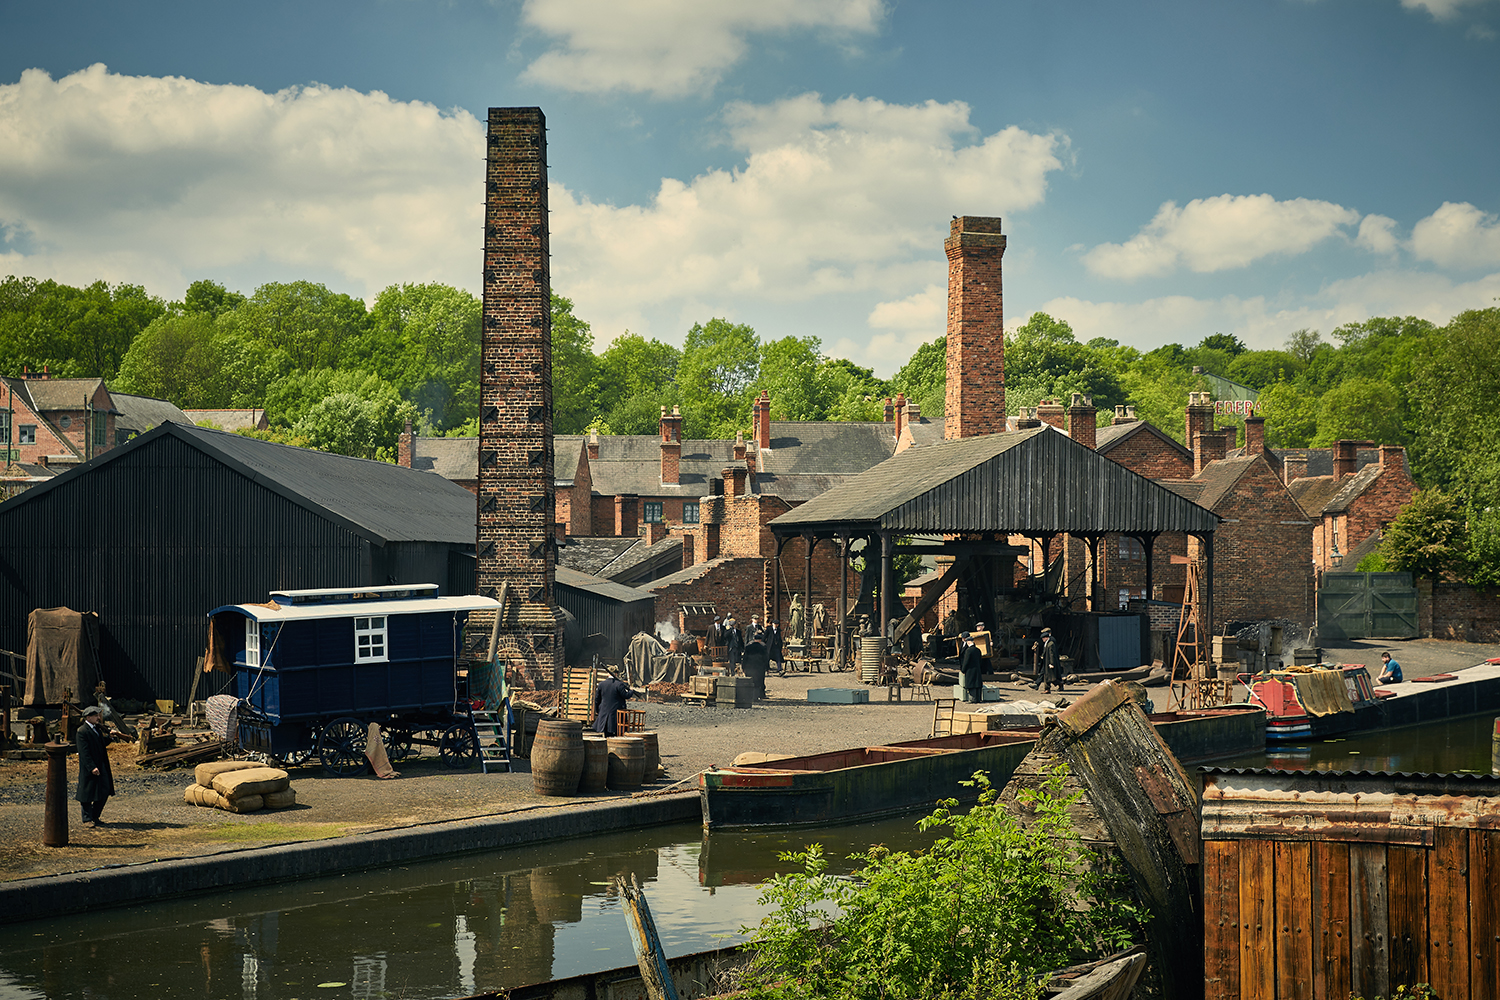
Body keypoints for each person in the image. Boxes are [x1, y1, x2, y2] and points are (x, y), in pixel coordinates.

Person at [75, 705, 115, 827]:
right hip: (90, 767)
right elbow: (84, 752)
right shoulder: (82, 731)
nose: (98, 718)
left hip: (101, 764)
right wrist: (91, 767)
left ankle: (95, 816)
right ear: (88, 717)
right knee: (87, 792)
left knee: (104, 790)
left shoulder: (96, 729)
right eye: (96, 716)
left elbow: (100, 743)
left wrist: (110, 738)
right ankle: (87, 819)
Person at [591, 669, 637, 737]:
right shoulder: (619, 684)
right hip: (616, 713)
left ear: (608, 674)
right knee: (617, 733)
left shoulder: (601, 684)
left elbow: (597, 699)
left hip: (604, 712)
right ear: (616, 674)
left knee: (606, 734)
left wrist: (597, 710)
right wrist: (631, 691)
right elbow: (626, 695)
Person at [742, 615, 769, 698]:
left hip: (750, 666)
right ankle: (760, 695)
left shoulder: (748, 647)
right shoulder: (763, 647)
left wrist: (743, 667)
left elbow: (745, 657)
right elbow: (766, 658)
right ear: (760, 639)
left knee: (750, 681)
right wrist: (767, 668)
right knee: (760, 681)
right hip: (760, 667)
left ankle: (750, 695)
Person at [1033, 627, 1062, 695]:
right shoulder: (1047, 642)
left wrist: (1051, 663)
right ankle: (1045, 688)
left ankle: (1060, 683)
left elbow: (1052, 654)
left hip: (1049, 662)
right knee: (1045, 675)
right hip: (1046, 661)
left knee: (1052, 677)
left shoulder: (1051, 642)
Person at [957, 632, 984, 703]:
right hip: (977, 669)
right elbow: (980, 661)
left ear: (968, 642)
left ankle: (972, 699)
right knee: (977, 684)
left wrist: (963, 669)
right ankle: (978, 698)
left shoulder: (968, 651)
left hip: (970, 669)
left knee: (971, 684)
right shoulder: (978, 650)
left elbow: (966, 661)